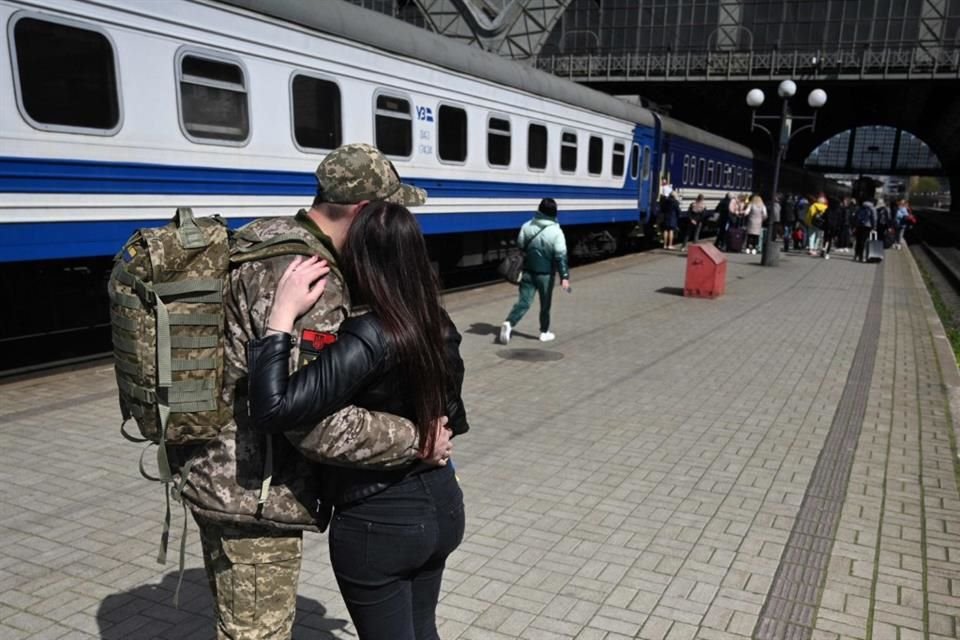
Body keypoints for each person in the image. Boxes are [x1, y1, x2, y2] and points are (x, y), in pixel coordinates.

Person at [174, 143, 454, 640]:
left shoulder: (266, 235)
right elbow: (314, 422)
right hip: (258, 493)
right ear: (366, 212)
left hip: (219, 473)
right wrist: (416, 439)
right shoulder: (313, 277)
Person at [246, 200, 468, 640]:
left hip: (379, 521)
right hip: (443, 505)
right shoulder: (437, 323)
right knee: (424, 632)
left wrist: (281, 317)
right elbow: (453, 419)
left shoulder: (369, 335)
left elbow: (273, 408)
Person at [499, 198, 571, 344]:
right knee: (545, 305)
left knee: (524, 302)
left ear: (539, 210)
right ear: (554, 213)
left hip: (528, 272)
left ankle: (509, 323)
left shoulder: (527, 226)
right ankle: (544, 332)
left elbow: (521, 245)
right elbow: (560, 256)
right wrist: (564, 276)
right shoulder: (556, 231)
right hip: (545, 276)